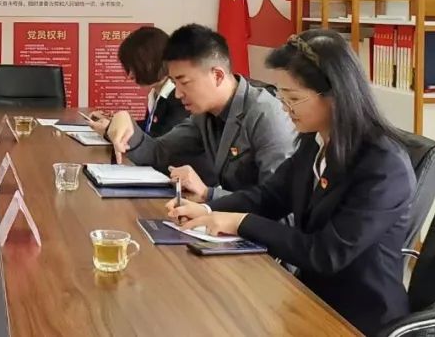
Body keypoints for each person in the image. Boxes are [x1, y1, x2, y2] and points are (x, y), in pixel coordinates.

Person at [168, 30, 415, 335]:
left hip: (358, 319)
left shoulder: (383, 166)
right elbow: (270, 196)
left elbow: (325, 253)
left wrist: (240, 222)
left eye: (294, 98)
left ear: (335, 96)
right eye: (282, 95)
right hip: (308, 299)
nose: (285, 107)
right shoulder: (315, 141)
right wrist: (208, 209)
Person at [88, 24, 295, 202]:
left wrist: (208, 194)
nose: (178, 94)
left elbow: (282, 209)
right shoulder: (204, 115)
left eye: (184, 82)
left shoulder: (267, 115)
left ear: (217, 76)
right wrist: (125, 123)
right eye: (174, 82)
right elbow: (158, 153)